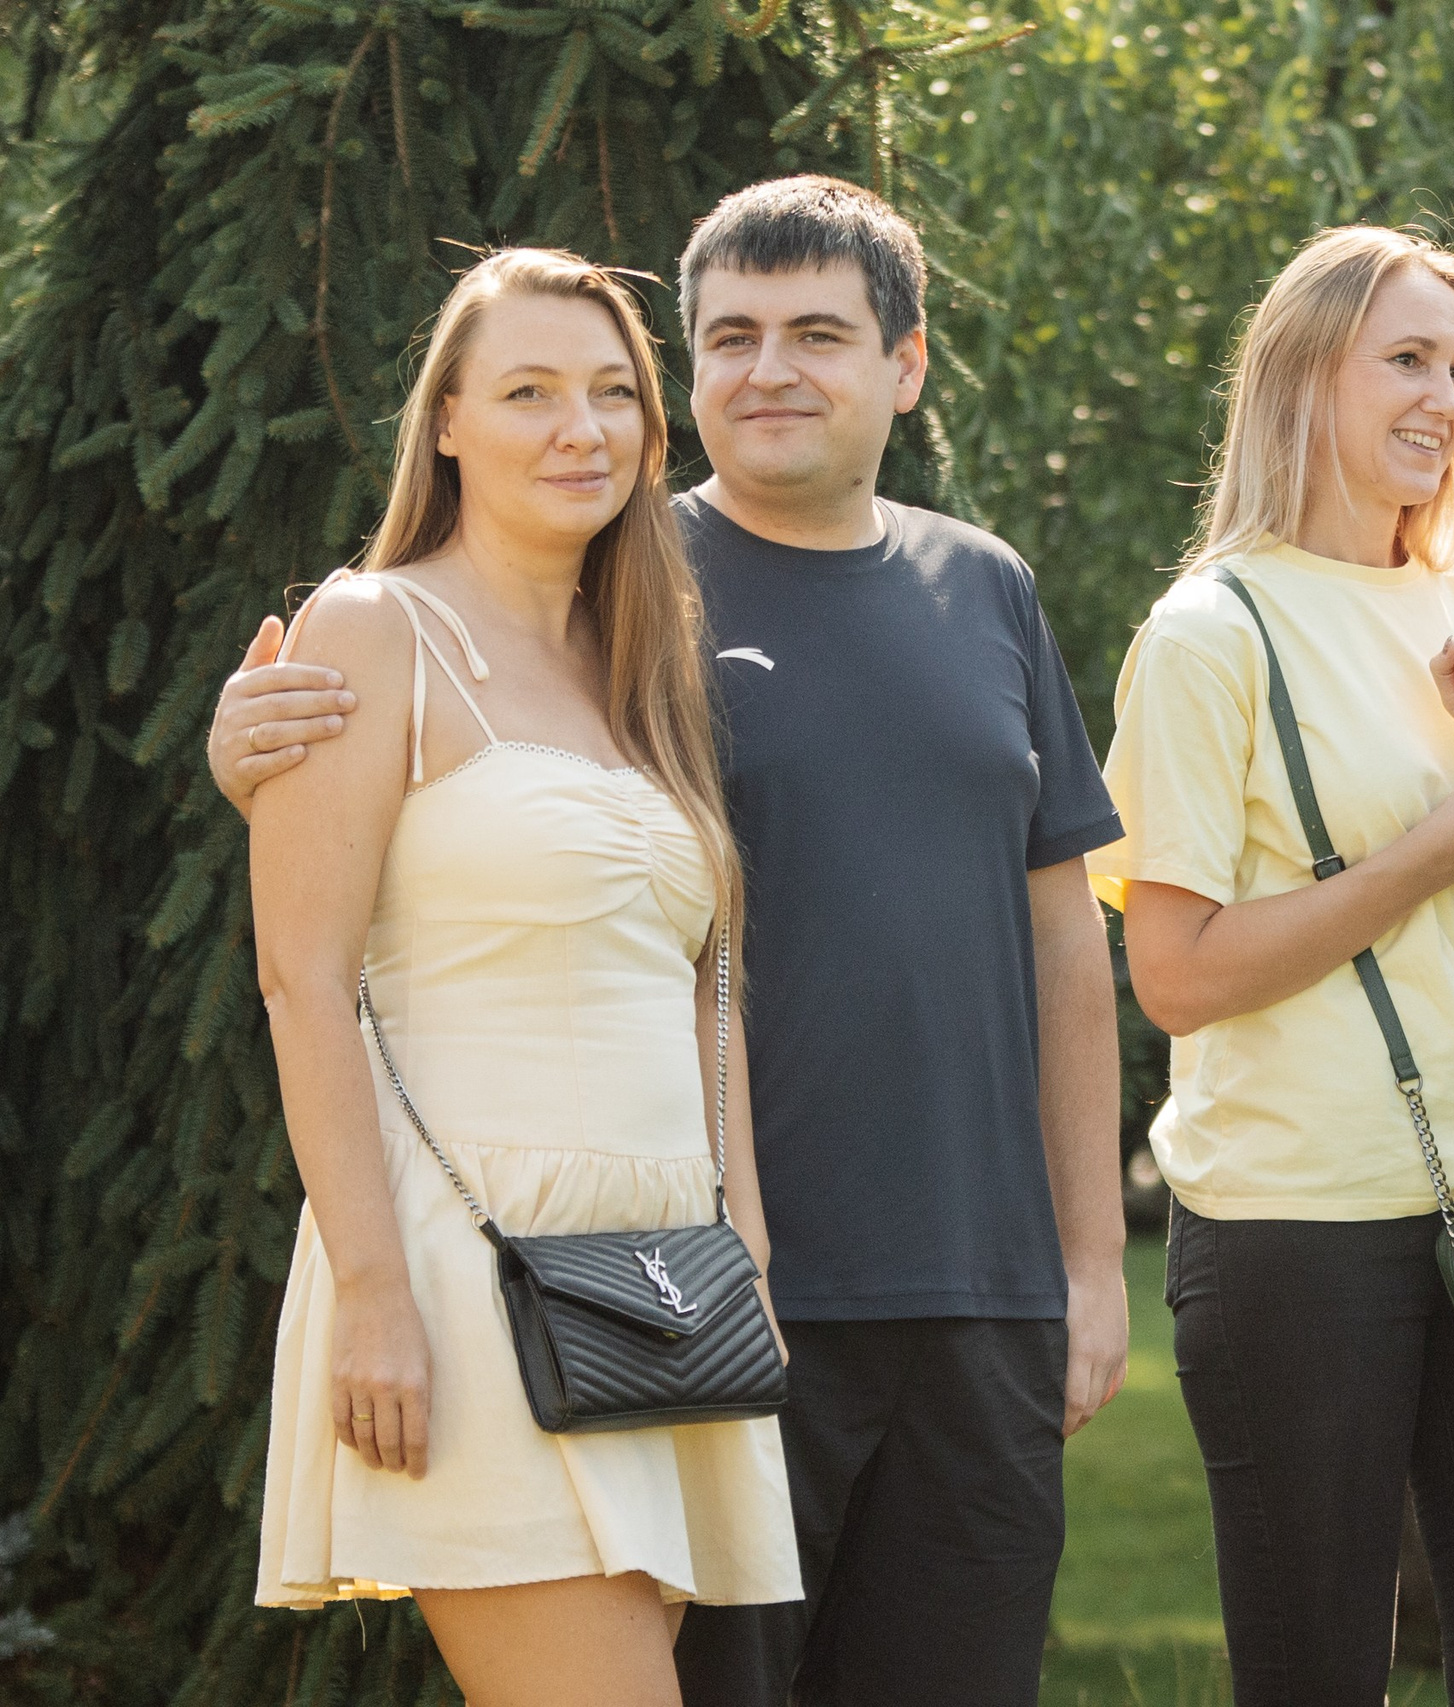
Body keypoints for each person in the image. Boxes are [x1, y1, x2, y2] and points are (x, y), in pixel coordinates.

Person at [211, 178, 1129, 1707]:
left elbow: (1036, 949)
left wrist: (1088, 1260)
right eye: (730, 338)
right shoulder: (561, 606)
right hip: (581, 1275)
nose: (769, 369)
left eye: (818, 334)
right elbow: (322, 943)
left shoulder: (727, 614)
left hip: (833, 1280)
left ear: (905, 365)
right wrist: (257, 746)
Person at [246, 247, 797, 1707]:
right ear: (445, 423)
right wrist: (373, 1289)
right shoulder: (374, 631)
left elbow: (706, 989)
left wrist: (742, 1242)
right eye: (532, 392)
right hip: (467, 1265)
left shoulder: (643, 662)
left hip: (658, 1276)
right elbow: (304, 982)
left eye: (616, 394)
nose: (583, 429)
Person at [1090, 225, 1454, 1707]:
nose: (1445, 398)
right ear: (1303, 376)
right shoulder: (1211, 633)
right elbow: (1178, 976)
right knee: (1316, 1670)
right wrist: (1441, 845)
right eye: (1405, 359)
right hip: (1295, 1230)